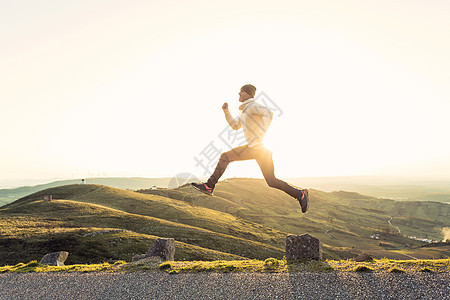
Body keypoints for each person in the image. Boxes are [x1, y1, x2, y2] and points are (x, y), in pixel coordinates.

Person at [191, 84, 309, 213]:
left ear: (248, 93)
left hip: (258, 148)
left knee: (227, 157)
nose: (239, 94)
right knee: (271, 181)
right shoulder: (244, 110)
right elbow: (235, 126)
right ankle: (300, 194)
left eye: (241, 92)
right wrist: (226, 111)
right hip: (256, 149)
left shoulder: (253, 106)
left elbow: (268, 113)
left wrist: (261, 133)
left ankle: (209, 186)